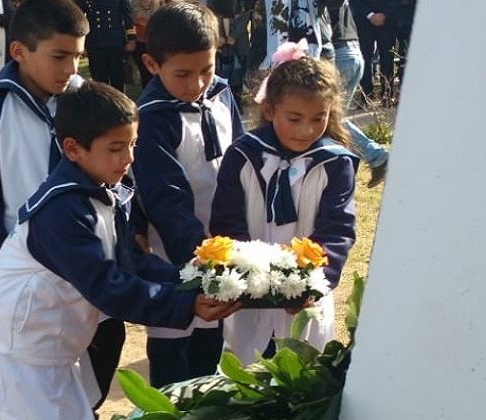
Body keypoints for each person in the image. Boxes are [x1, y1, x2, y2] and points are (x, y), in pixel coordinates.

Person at [0, 79, 241, 420]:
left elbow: (131, 261)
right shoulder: (62, 211)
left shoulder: (105, 188)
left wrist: (193, 277)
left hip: (56, 342)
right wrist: (186, 304)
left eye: (133, 144)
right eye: (116, 148)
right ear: (73, 149)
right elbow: (108, 287)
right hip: (25, 348)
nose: (129, 158)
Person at [0, 0, 127, 412]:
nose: (70, 68)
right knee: (40, 386)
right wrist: (0, 274)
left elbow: (118, 175)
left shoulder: (86, 101)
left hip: (93, 269)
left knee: (99, 359)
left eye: (77, 56)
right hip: (32, 282)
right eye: (59, 56)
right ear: (19, 51)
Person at [210, 50, 358, 364]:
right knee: (248, 375)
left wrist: (313, 281)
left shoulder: (335, 163)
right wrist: (245, 275)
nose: (306, 129)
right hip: (249, 297)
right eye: (295, 118)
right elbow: (226, 221)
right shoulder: (243, 156)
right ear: (269, 109)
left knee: (304, 375)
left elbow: (338, 229)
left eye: (318, 118)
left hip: (305, 297)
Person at [131, 2, 244, 388]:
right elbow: (166, 199)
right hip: (176, 254)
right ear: (152, 65)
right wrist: (203, 269)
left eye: (207, 69)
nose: (197, 83)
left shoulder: (223, 95)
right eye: (183, 73)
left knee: (212, 350)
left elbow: (242, 162)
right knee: (173, 355)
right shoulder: (151, 118)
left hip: (223, 247)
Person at [329, 0, 388, 187]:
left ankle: (376, 156)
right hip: (353, 51)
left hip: (338, 54)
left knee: (329, 119)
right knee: (333, 118)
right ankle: (350, 166)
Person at [76, 0, 136, 92]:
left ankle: (119, 104)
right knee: (99, 80)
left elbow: (127, 16)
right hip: (95, 43)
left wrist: (131, 39)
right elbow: (78, 18)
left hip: (116, 42)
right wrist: (80, 42)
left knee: (118, 78)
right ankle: (101, 104)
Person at [350, 0, 397, 102]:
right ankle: (367, 96)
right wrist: (370, 15)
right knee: (365, 59)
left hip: (388, 22)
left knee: (388, 58)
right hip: (363, 21)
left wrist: (385, 14)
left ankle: (387, 95)